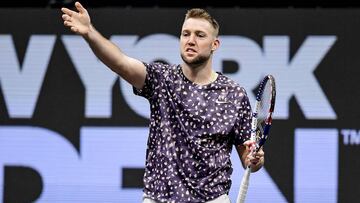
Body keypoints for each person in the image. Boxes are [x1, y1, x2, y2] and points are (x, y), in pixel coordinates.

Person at [61, 2, 265, 202]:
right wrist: (90, 33)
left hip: (211, 198)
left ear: (215, 44)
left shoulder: (234, 94)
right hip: (159, 198)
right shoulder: (161, 78)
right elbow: (120, 62)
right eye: (186, 34)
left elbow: (249, 159)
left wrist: (255, 160)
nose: (191, 40)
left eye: (200, 35)